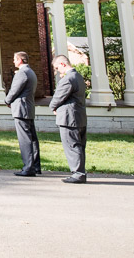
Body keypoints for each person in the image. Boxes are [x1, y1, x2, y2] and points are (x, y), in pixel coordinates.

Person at [50, 54, 88, 184]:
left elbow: (58, 97)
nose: (57, 71)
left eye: (57, 68)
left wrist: (53, 107)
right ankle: (80, 172)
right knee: (79, 146)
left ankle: (78, 174)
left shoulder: (68, 79)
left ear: (63, 64)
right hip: (79, 116)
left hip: (69, 117)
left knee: (72, 145)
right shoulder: (78, 77)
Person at [5, 51, 41, 177]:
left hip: (21, 108)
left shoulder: (22, 73)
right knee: (32, 139)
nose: (13, 61)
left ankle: (28, 167)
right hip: (28, 108)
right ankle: (35, 166)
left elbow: (14, 90)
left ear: (20, 60)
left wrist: (7, 100)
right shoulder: (31, 72)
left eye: (15, 59)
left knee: (25, 139)